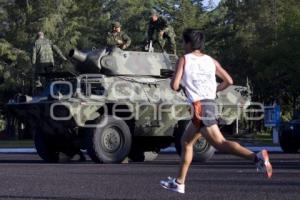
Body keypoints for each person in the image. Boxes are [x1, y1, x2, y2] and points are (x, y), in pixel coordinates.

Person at [160, 29, 272, 194]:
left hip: (201, 107)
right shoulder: (211, 60)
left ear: (189, 43)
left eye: (184, 42)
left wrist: (180, 82)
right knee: (186, 142)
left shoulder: (184, 60)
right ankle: (179, 182)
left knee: (220, 143)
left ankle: (257, 158)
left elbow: (174, 86)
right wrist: (213, 91)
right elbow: (229, 81)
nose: (183, 45)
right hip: (209, 104)